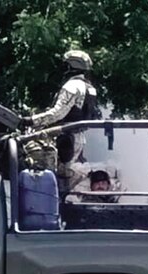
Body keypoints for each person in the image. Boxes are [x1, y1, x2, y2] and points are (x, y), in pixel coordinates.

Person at [21, 50, 99, 186]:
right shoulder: (90, 88)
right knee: (66, 176)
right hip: (78, 137)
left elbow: (57, 113)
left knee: (52, 174)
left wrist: (31, 121)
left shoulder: (72, 86)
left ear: (70, 66)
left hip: (66, 138)